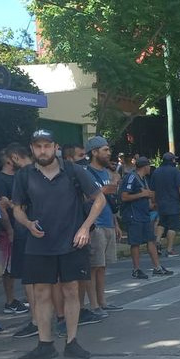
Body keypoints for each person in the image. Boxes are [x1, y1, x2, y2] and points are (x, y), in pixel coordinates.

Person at [11, 129, 104, 359]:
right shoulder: (24, 175)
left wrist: (85, 228)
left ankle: (72, 341)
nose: (43, 150)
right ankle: (45, 343)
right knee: (41, 293)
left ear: (55, 147)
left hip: (71, 243)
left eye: (47, 145)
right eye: (38, 146)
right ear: (32, 149)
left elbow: (99, 198)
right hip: (39, 244)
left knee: (71, 291)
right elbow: (17, 208)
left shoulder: (73, 171)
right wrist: (27, 224)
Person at [82, 136, 123, 317]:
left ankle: (102, 301)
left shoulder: (107, 174)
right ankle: (93, 305)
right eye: (105, 150)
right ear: (94, 152)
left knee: (103, 266)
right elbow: (83, 198)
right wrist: (102, 191)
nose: (109, 153)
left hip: (108, 223)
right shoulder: (85, 173)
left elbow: (110, 201)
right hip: (95, 225)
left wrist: (116, 223)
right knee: (93, 267)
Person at [0, 147, 30, 315]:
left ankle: (28, 297)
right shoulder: (0, 180)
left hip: (23, 227)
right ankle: (10, 301)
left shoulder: (19, 177)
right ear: (9, 160)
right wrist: (9, 229)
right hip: (9, 230)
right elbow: (1, 207)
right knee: (8, 267)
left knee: (23, 263)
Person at [121, 157, 172, 278]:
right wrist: (141, 194)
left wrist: (152, 205)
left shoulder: (143, 179)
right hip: (134, 215)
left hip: (144, 214)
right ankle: (136, 269)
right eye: (149, 166)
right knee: (135, 243)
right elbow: (124, 197)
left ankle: (157, 267)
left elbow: (146, 196)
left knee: (151, 240)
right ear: (145, 166)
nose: (150, 168)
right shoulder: (131, 177)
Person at [151, 153, 180, 258]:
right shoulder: (175, 172)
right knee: (173, 226)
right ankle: (169, 249)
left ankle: (157, 242)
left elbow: (153, 190)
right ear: (172, 160)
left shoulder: (156, 171)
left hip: (160, 203)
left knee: (162, 223)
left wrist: (153, 201)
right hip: (173, 203)